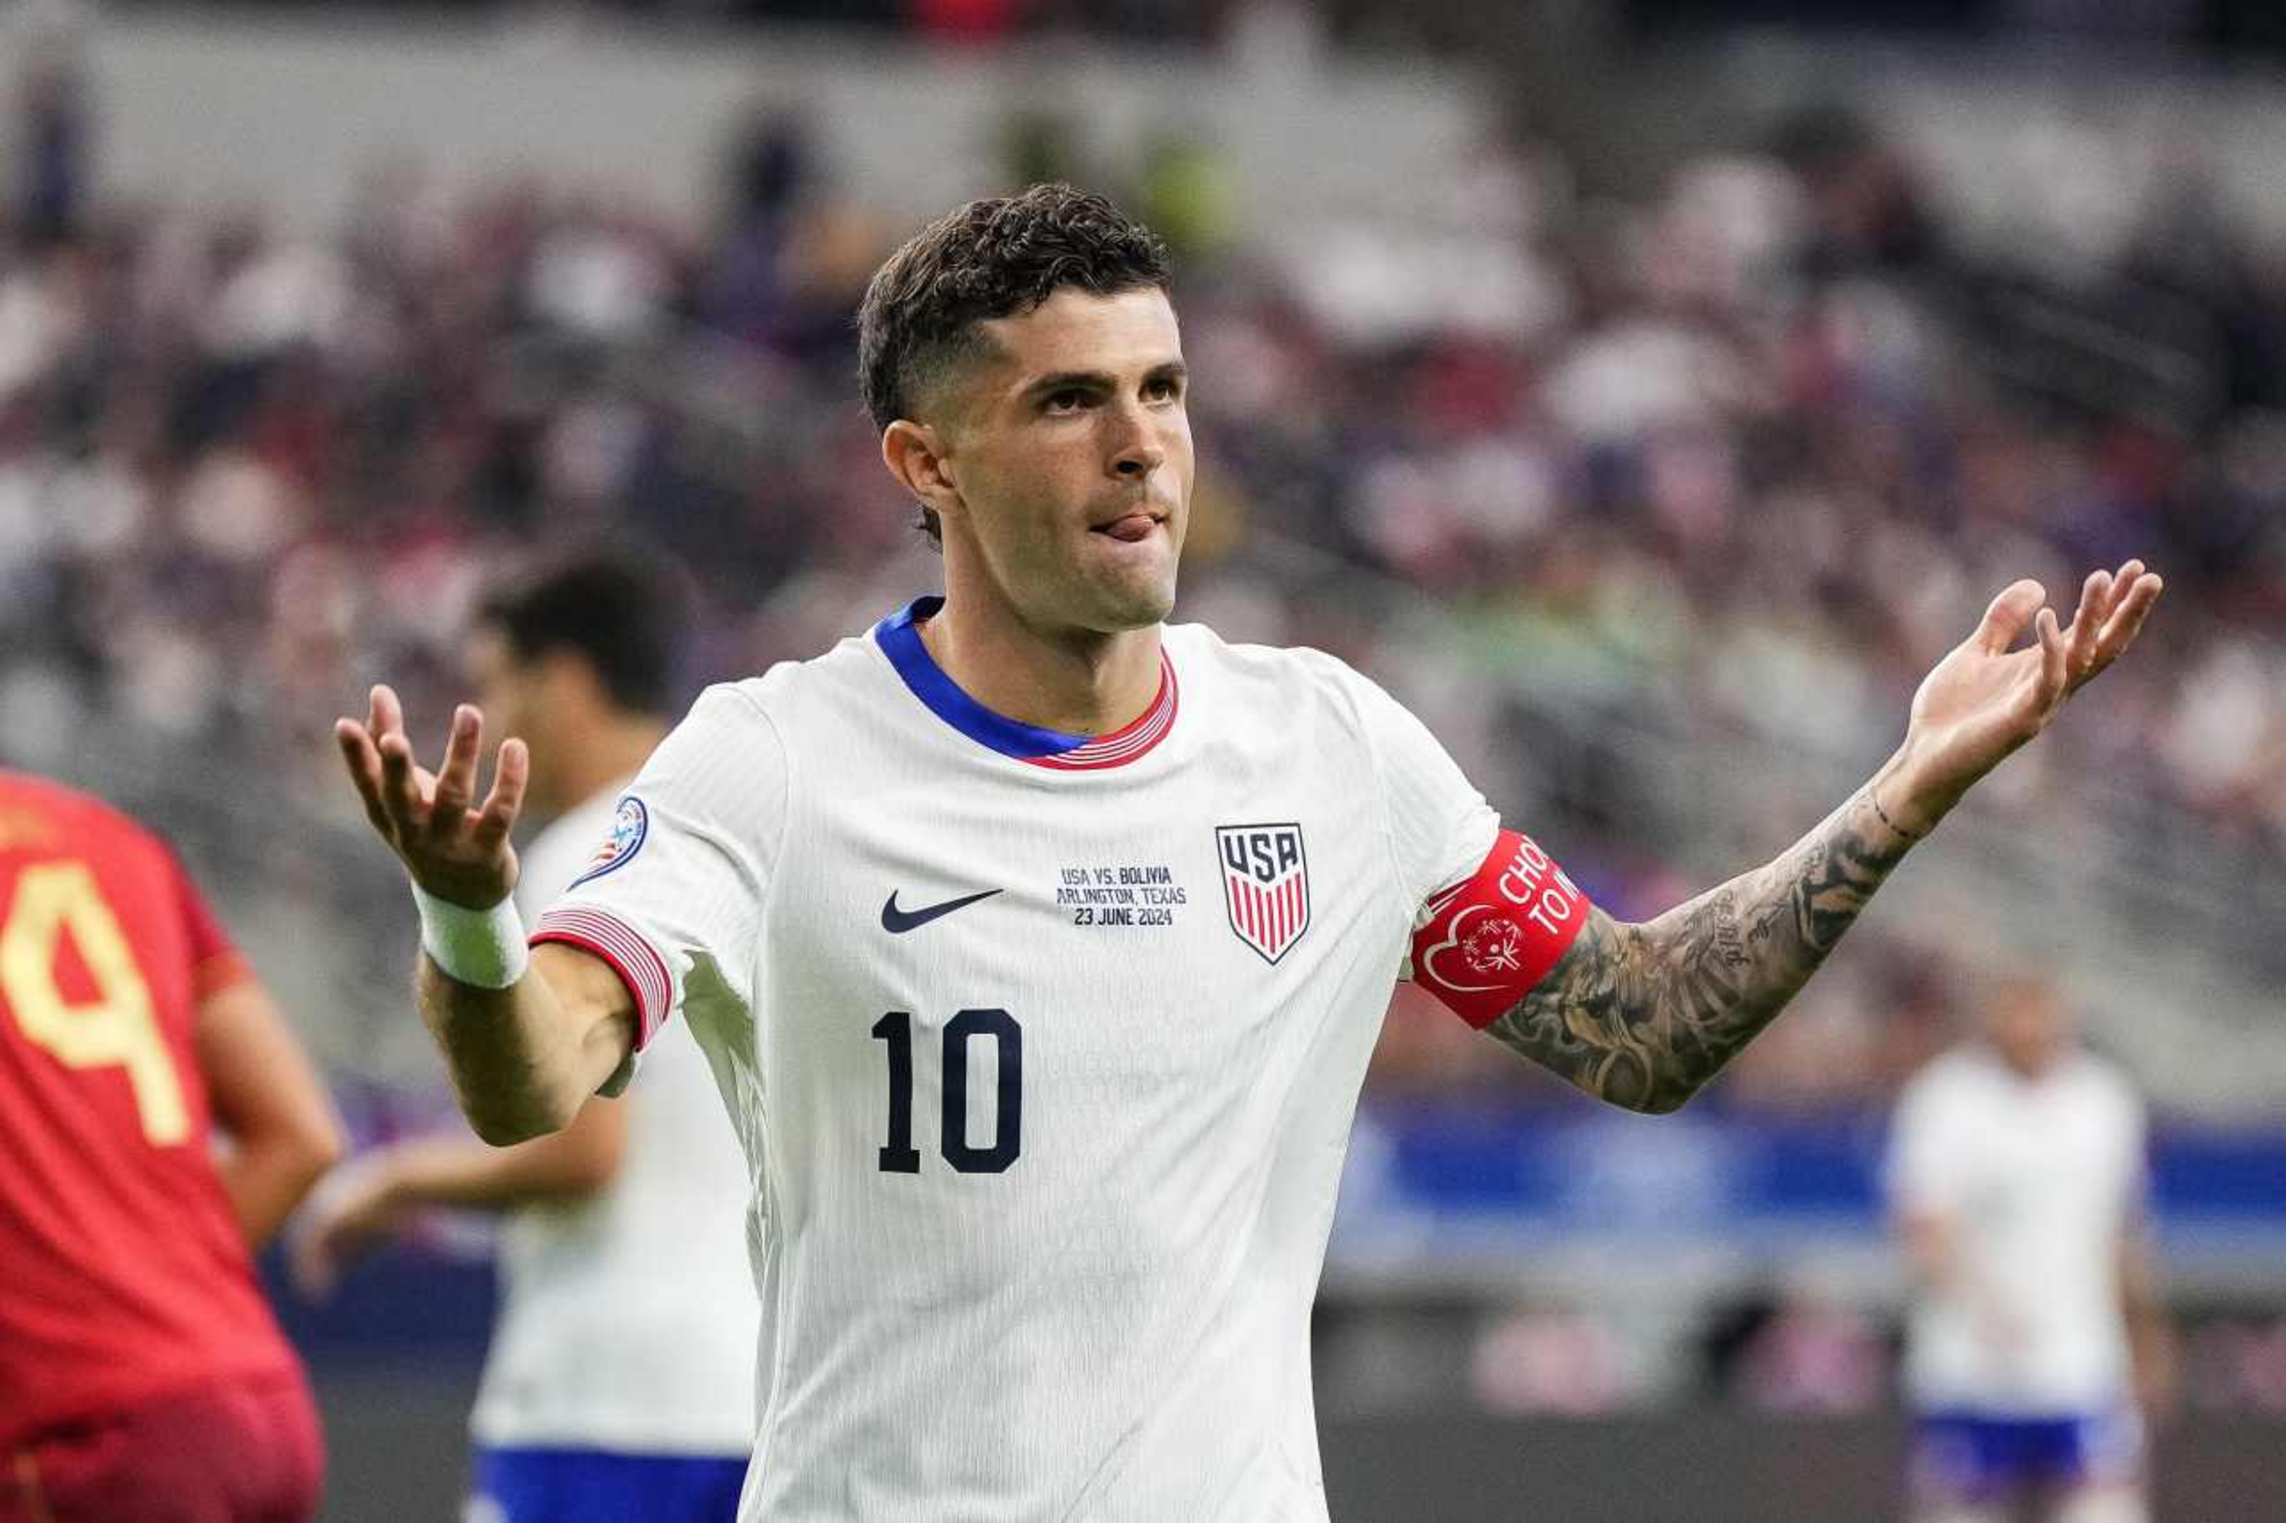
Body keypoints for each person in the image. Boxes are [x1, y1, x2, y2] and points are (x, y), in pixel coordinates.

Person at [330, 183, 2164, 1520]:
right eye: (1068, 400)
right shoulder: (775, 757)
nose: (1142, 447)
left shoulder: (1327, 748)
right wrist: (469, 913)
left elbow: (1641, 1020)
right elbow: (532, 1075)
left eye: (1164, 388)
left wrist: (1904, 783)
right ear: (925, 462)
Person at [295, 546, 758, 1523]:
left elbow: (579, 1147)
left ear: (564, 681)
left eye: (497, 684)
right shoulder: (743, 846)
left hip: (605, 1398)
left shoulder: (596, 853)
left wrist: (396, 1180)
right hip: (754, 1393)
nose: (490, 715)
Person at [0, 770, 341, 1523]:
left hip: (82, 1441)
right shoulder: (110, 839)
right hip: (250, 1398)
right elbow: (299, 1136)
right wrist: (145, 1293)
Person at [1887, 970, 2173, 1523]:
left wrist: (2147, 1334)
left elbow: (2123, 1229)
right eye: (2016, 1012)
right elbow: (1924, 1222)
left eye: (2041, 1012)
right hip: (1969, 1364)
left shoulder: (2104, 1099)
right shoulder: (1947, 1098)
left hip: (2081, 1359)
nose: (2029, 1027)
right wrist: (1982, 1305)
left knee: (2106, 1506)